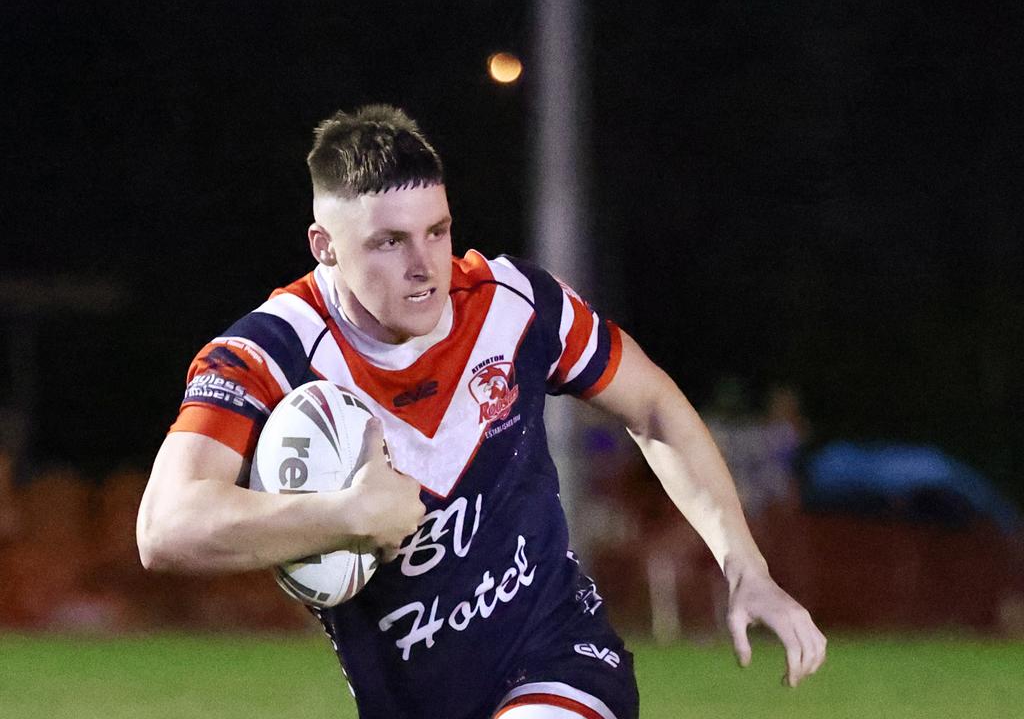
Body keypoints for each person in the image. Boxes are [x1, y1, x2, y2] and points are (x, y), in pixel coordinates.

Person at [137, 105, 826, 719]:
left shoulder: (514, 306)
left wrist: (747, 568)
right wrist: (344, 515)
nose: (424, 264)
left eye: (437, 232)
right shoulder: (266, 354)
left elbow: (652, 406)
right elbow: (166, 527)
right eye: (389, 241)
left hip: (563, 664)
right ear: (324, 247)